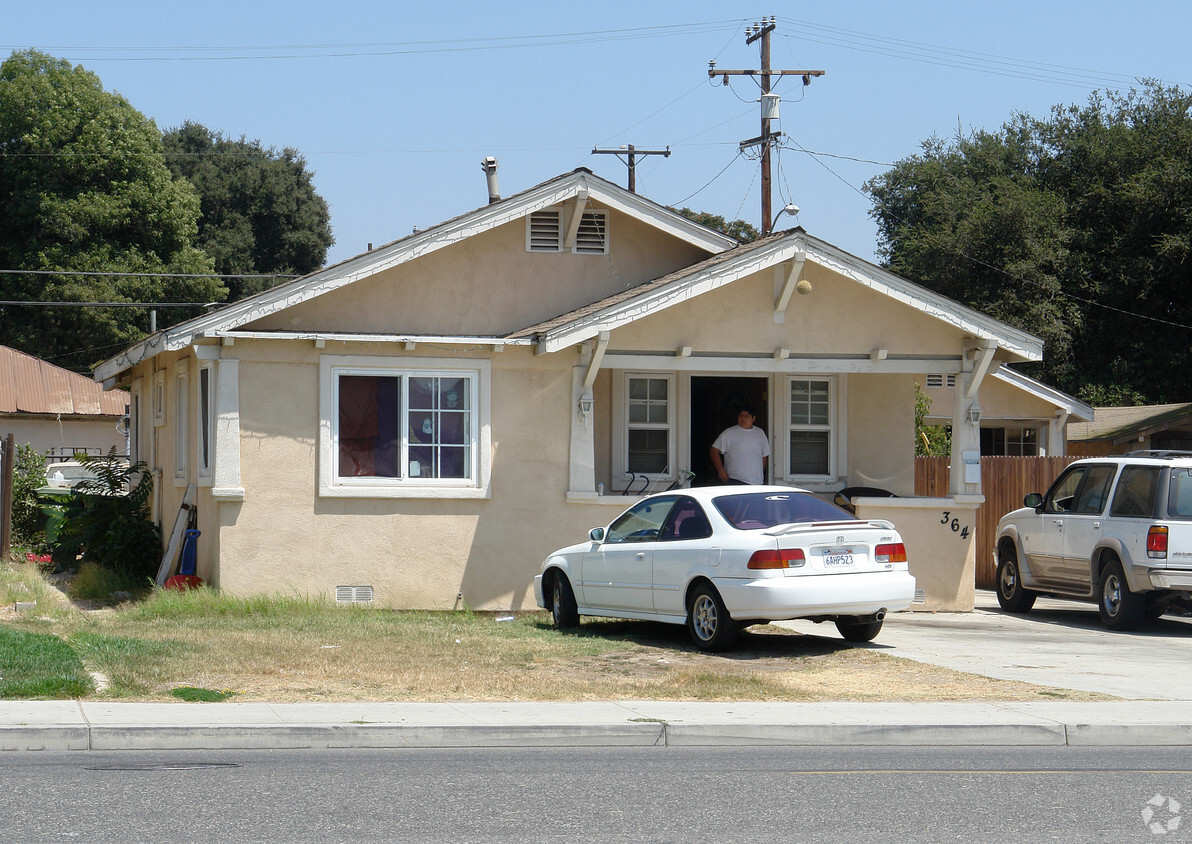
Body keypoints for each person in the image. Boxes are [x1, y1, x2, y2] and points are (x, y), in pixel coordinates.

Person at [709, 405, 770, 485]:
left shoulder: (760, 433)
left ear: (753, 418)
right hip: (735, 480)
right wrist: (721, 471)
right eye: (741, 416)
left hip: (757, 482)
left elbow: (764, 455)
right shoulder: (729, 433)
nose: (743, 418)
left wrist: (760, 472)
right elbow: (714, 451)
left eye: (746, 416)